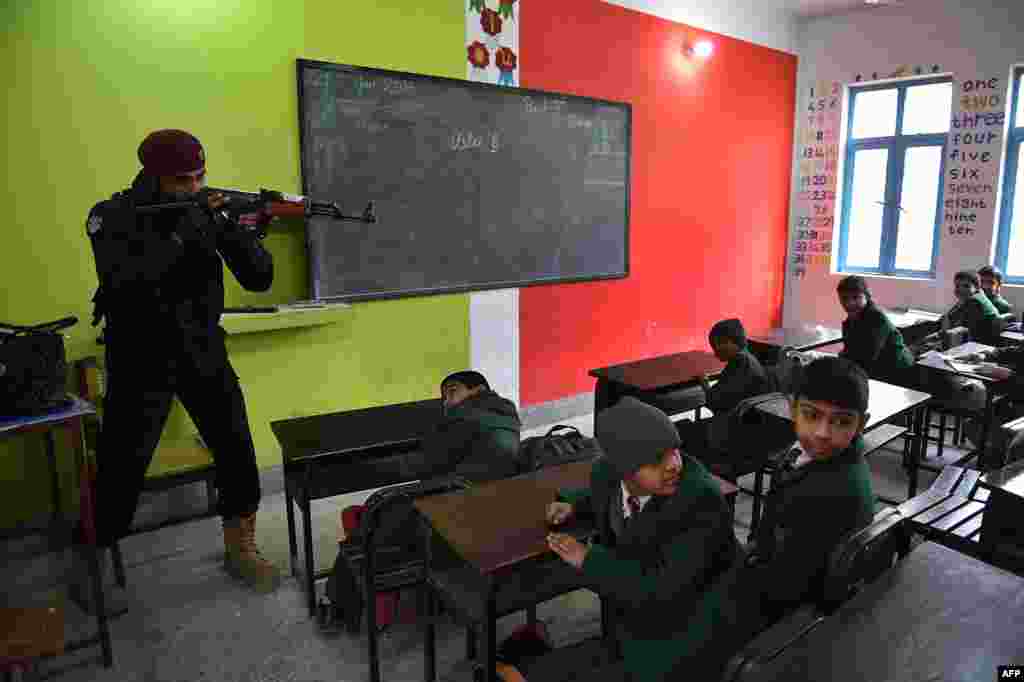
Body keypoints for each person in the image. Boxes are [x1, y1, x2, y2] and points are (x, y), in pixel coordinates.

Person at [80, 129, 279, 603]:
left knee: (235, 448)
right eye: (182, 180)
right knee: (121, 465)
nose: (194, 187)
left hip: (203, 351)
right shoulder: (112, 216)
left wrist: (232, 229)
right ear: (154, 176)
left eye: (200, 176)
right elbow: (125, 280)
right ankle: (94, 558)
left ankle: (240, 546)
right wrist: (185, 231)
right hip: (139, 357)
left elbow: (259, 278)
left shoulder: (208, 211)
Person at [540, 397, 744, 681]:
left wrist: (589, 559)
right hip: (639, 613)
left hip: (695, 620)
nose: (673, 465)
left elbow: (662, 588)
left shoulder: (700, 500)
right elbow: (607, 491)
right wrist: (574, 505)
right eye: (656, 460)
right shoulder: (606, 472)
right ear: (623, 467)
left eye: (675, 451)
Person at [325, 370, 521, 631]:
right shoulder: (507, 415)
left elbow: (424, 465)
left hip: (454, 511)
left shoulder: (464, 418)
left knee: (372, 524)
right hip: (488, 510)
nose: (447, 401)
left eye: (453, 391)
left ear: (479, 390)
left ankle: (339, 608)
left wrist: (366, 469)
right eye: (443, 396)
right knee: (387, 510)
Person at [742, 357, 875, 628]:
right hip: (780, 574)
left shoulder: (830, 492)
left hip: (791, 617)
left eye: (842, 421)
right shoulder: (814, 458)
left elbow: (788, 584)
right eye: (811, 415)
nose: (822, 433)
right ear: (793, 410)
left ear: (861, 425)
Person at [677, 318, 771, 459]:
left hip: (733, 436)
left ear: (729, 342)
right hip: (748, 431)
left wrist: (705, 384)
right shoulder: (750, 360)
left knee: (679, 431)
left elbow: (715, 403)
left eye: (717, 345)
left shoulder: (740, 364)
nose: (715, 352)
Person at [835, 276, 914, 385]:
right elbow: (850, 350)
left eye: (856, 297)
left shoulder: (877, 319)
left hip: (897, 371)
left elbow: (867, 357)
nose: (849, 303)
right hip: (876, 369)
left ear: (866, 297)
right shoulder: (851, 320)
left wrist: (840, 363)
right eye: (844, 298)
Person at [943, 270, 1002, 345]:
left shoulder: (974, 301)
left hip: (978, 346)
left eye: (966, 286)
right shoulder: (974, 296)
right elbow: (950, 315)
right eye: (957, 286)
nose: (961, 289)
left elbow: (960, 327)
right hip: (975, 341)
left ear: (977, 287)